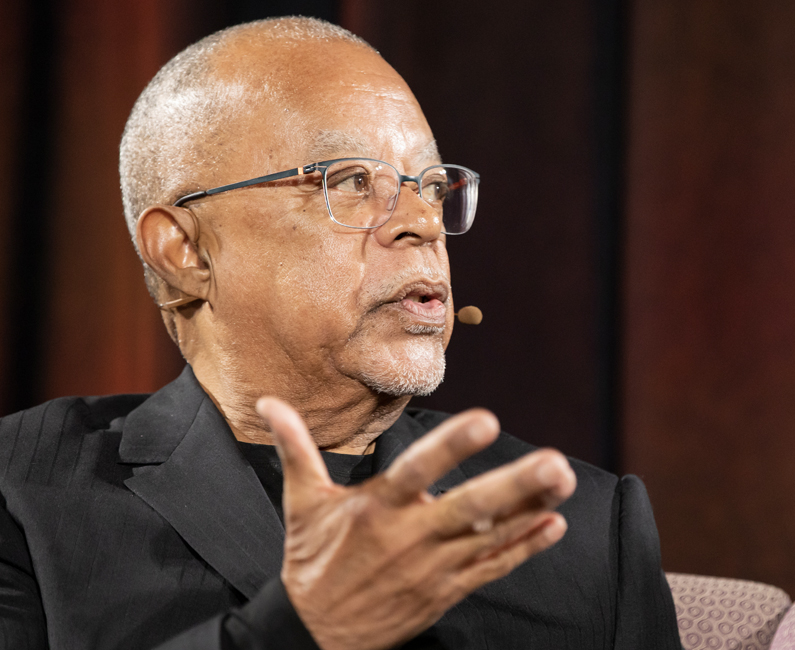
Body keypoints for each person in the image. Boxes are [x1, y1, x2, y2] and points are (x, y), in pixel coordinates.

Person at [0, 16, 682, 650]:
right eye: (351, 180)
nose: (423, 222)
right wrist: (305, 629)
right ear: (186, 251)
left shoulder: (580, 526)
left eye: (431, 186)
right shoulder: (24, 487)